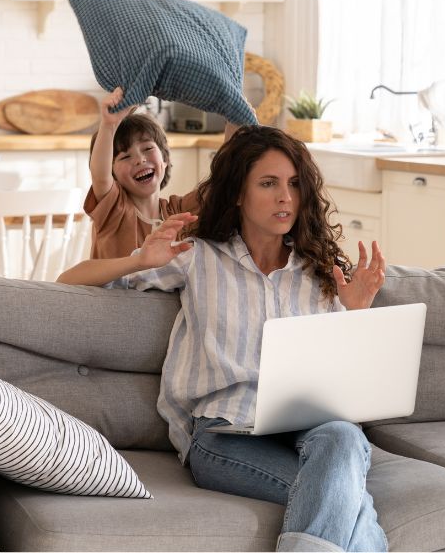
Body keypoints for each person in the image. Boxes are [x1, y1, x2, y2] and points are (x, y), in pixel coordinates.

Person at [59, 125, 388, 552]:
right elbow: (69, 281)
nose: (285, 196)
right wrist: (139, 259)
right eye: (268, 183)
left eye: (293, 184)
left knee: (344, 437)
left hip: (311, 429)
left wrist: (356, 311)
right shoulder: (196, 256)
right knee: (349, 502)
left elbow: (345, 382)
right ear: (237, 193)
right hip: (224, 434)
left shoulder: (321, 272)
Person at [84, 87, 242, 259]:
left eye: (148, 148)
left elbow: (221, 181)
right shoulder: (115, 210)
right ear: (112, 174)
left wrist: (234, 119)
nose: (139, 159)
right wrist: (109, 125)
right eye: (125, 156)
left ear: (164, 160)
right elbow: (100, 176)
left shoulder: (178, 211)